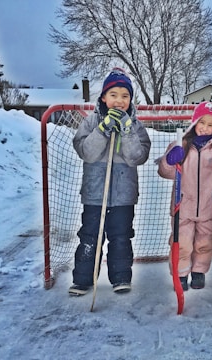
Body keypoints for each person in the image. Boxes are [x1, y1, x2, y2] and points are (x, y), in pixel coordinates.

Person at [69, 67, 151, 296]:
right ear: (104, 97)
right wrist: (103, 130)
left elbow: (137, 157)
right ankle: (83, 279)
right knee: (90, 235)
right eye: (113, 95)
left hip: (124, 194)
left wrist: (126, 129)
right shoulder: (91, 122)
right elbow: (87, 152)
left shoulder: (136, 126)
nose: (119, 100)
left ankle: (121, 277)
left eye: (125, 96)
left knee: (121, 236)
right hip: (95, 193)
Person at [157, 101, 212, 291]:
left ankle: (198, 272)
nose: (205, 128)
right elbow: (165, 172)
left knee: (205, 243)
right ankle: (181, 275)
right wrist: (171, 160)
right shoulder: (181, 145)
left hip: (207, 208)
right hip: (182, 206)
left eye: (210, 125)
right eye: (202, 122)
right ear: (194, 122)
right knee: (182, 243)